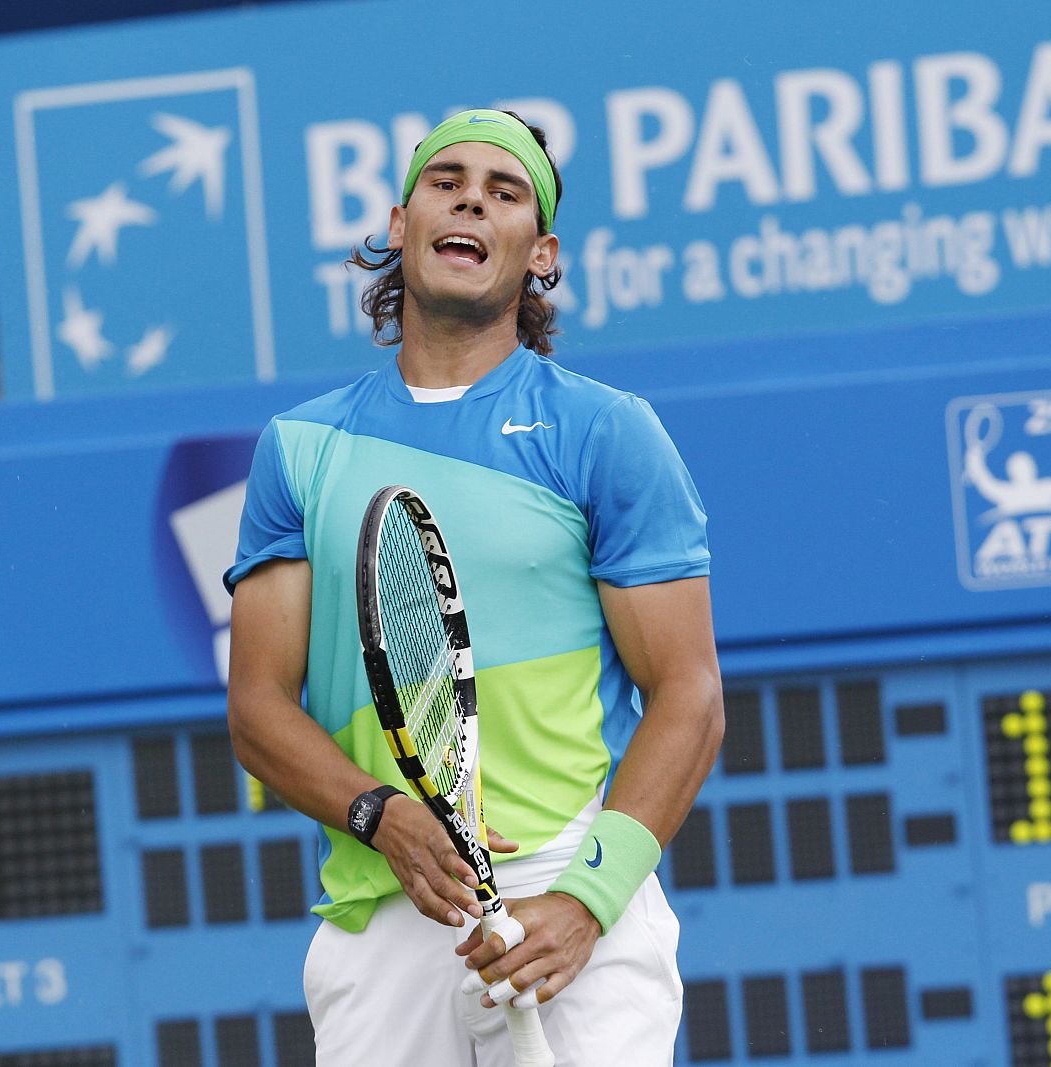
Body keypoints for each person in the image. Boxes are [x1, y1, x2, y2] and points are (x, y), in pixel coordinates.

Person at [224, 108, 723, 1065]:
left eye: (504, 192)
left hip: (568, 890)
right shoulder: (297, 450)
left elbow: (689, 696)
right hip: (385, 906)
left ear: (540, 254)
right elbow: (257, 708)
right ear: (402, 221)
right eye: (446, 181)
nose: (470, 199)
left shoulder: (607, 433)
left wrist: (588, 900)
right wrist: (382, 814)